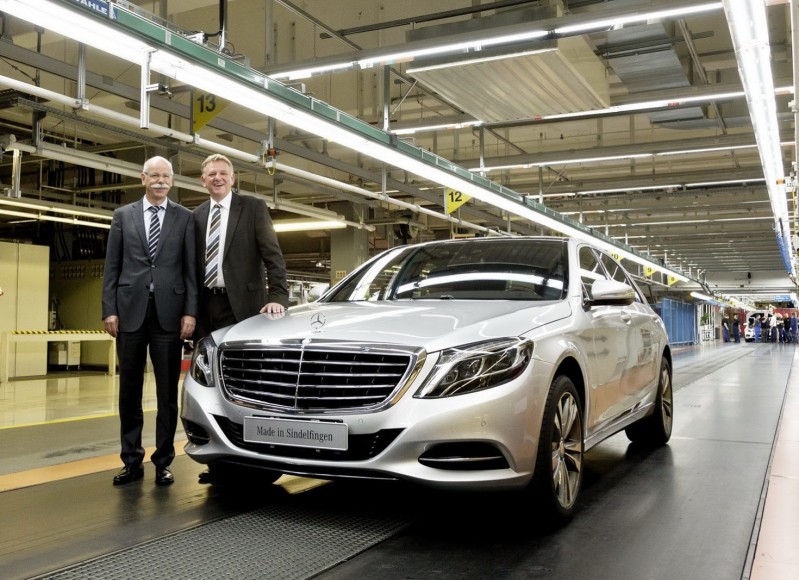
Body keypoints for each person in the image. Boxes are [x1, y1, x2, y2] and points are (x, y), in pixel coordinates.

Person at [102, 156, 198, 487]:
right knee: (128, 392)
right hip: (129, 312)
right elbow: (112, 266)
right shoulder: (123, 216)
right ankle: (131, 461)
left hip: (169, 316)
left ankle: (163, 461)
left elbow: (190, 269)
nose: (160, 181)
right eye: (154, 175)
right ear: (142, 178)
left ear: (172, 180)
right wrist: (109, 309)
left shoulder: (185, 218)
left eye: (166, 176)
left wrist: (190, 311)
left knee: (167, 393)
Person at [194, 153, 289, 337]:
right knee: (205, 354)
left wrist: (277, 297)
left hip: (244, 305)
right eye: (212, 174)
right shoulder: (196, 215)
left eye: (223, 173)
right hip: (204, 306)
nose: (218, 178)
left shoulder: (253, 208)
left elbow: (273, 257)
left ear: (232, 178)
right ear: (203, 180)